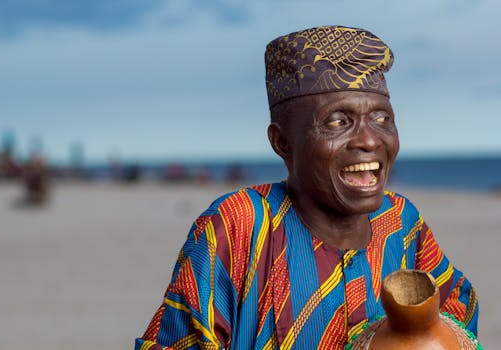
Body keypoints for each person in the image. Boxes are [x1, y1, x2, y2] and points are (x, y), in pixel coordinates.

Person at [135, 26, 478, 349]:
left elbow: (457, 312)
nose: (370, 139)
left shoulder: (401, 222)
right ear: (282, 142)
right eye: (337, 121)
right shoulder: (239, 226)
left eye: (381, 118)